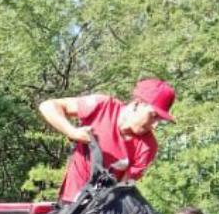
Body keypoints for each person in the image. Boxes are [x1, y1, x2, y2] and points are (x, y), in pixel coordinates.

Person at [37, 77, 176, 202]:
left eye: (160, 119)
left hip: (100, 213)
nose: (155, 125)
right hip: (69, 204)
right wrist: (71, 131)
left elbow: (122, 190)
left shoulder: (148, 146)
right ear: (137, 104)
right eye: (153, 115)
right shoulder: (103, 106)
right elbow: (48, 106)